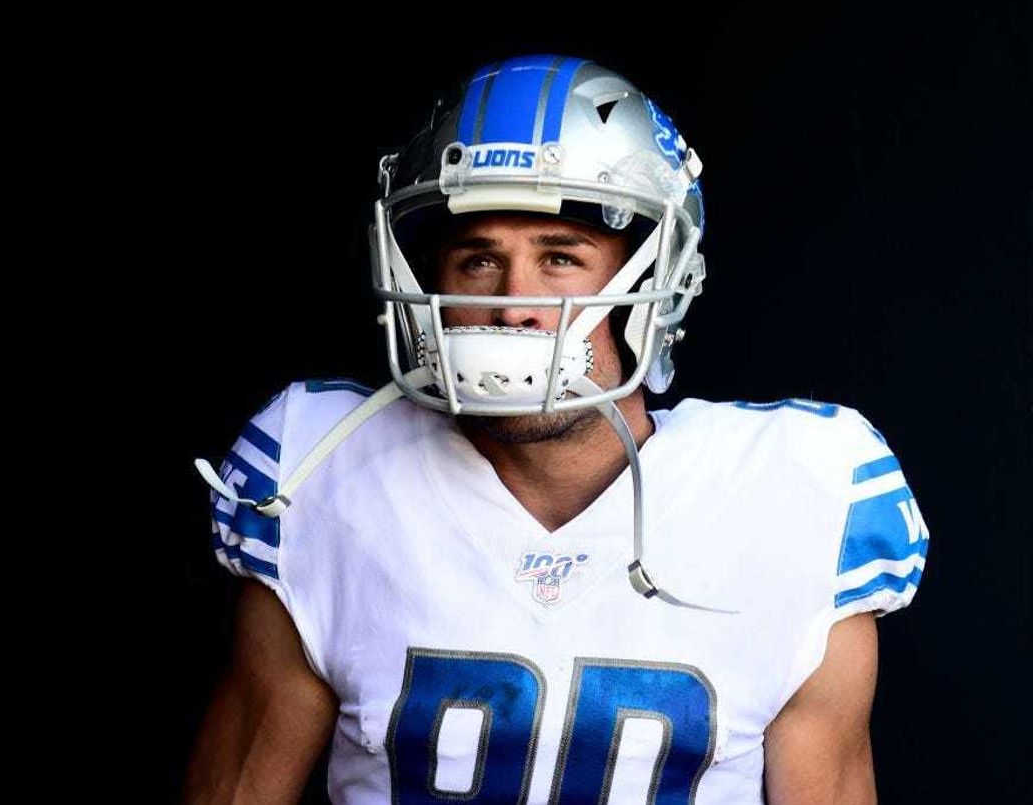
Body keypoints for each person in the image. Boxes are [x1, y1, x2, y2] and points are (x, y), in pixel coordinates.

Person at [185, 55, 928, 804]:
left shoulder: (797, 493)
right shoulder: (324, 474)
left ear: (651, 285)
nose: (517, 305)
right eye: (479, 260)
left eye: (561, 258)